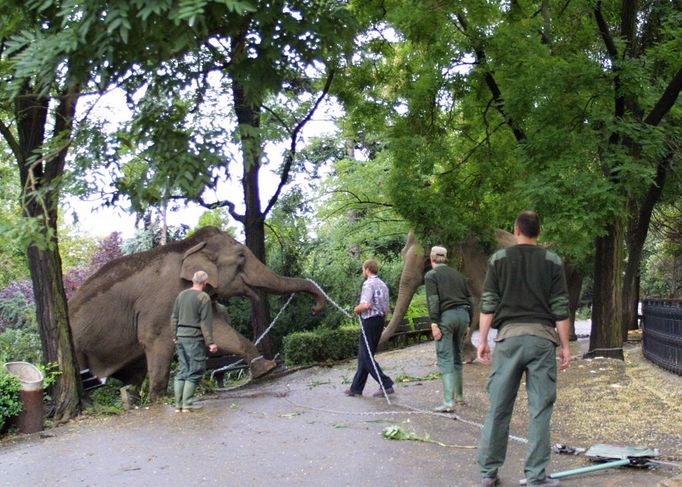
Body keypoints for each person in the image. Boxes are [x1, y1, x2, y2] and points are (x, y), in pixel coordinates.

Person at [476, 211, 572, 487]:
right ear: (538, 232)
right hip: (542, 340)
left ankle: (488, 472)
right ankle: (535, 476)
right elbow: (560, 308)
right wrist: (565, 346)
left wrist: (483, 341)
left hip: (508, 340)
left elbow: (489, 304)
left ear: (516, 229)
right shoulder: (552, 261)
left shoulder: (499, 260)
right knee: (540, 408)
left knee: (499, 407)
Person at [425, 245, 474, 412]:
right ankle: (459, 397)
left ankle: (448, 402)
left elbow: (433, 300)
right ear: (445, 258)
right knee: (457, 356)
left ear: (432, 259)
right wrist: (469, 323)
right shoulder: (459, 275)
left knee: (445, 357)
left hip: (446, 317)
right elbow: (470, 299)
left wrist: (433, 323)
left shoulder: (431, 275)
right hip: (463, 316)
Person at [344, 259, 395, 398]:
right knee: (364, 355)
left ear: (367, 269)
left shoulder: (368, 284)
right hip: (379, 321)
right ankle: (356, 388)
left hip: (369, 321)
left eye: (363, 269)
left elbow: (365, 305)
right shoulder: (383, 285)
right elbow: (386, 309)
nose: (362, 271)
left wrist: (356, 309)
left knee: (366, 355)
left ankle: (386, 384)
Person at [171, 270, 218, 412]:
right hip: (194, 338)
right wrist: (211, 343)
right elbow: (205, 323)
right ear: (204, 283)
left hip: (180, 336)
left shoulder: (182, 295)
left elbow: (174, 317)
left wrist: (174, 335)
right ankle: (188, 404)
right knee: (196, 369)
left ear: (193, 280)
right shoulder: (203, 298)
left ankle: (178, 406)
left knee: (183, 370)